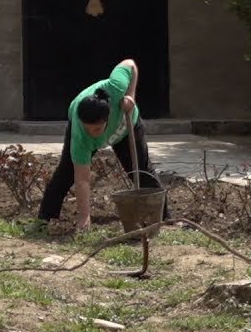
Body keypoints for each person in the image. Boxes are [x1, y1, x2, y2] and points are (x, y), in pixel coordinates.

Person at [36, 57, 169, 230]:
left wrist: (130, 95)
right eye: (88, 128)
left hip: (127, 127)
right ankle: (44, 220)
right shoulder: (80, 135)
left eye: (97, 129)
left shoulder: (115, 87)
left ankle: (165, 219)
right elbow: (82, 179)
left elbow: (130, 64)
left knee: (142, 171)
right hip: (87, 128)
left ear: (107, 118)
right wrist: (84, 217)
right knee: (66, 173)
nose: (92, 132)